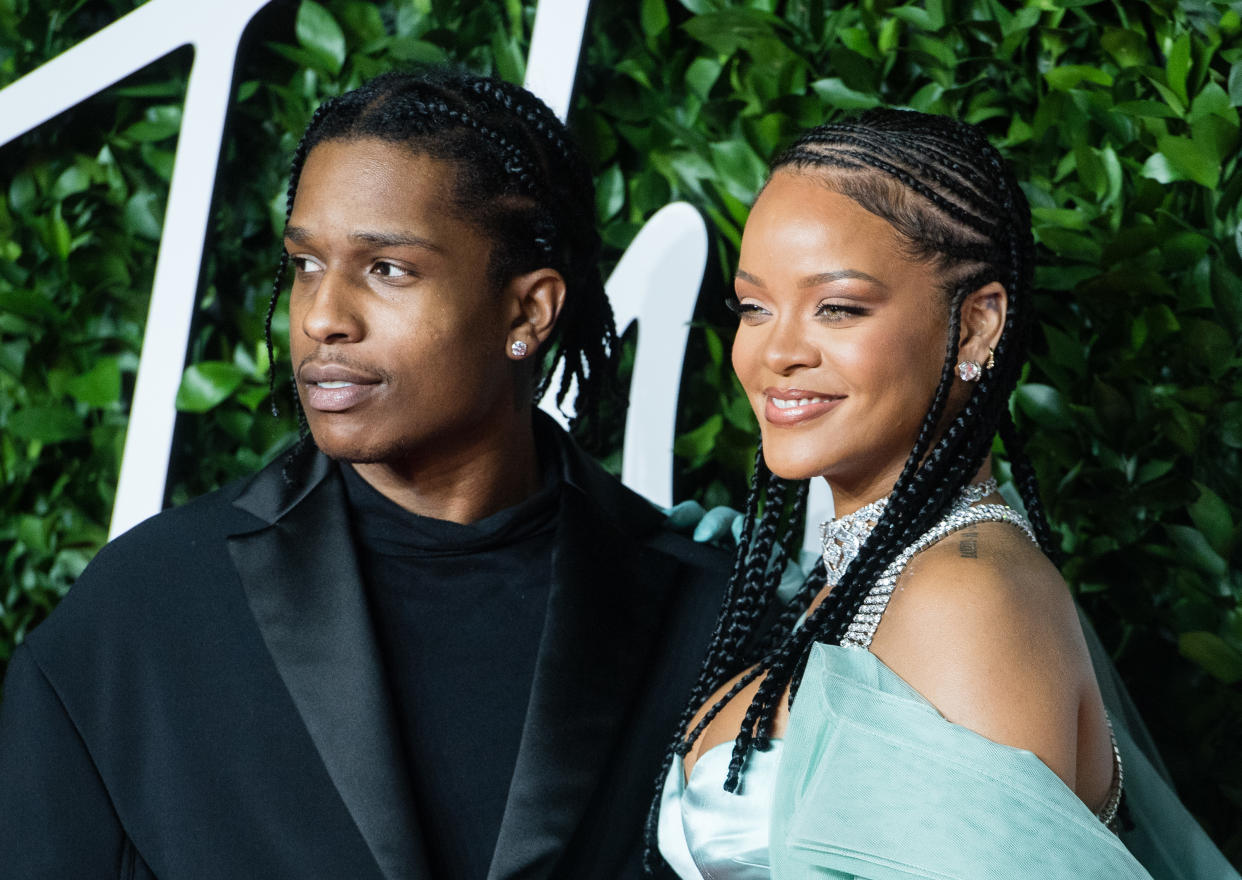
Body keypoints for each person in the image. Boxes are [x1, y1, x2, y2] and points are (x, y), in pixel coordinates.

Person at [0, 69, 729, 880]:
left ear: (528, 312)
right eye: (306, 264)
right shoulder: (148, 609)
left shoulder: (703, 612)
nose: (320, 318)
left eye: (386, 269)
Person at [652, 110, 1240, 879]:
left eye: (838, 307)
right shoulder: (865, 578)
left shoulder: (968, 597)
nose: (778, 351)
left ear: (976, 327)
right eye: (755, 307)